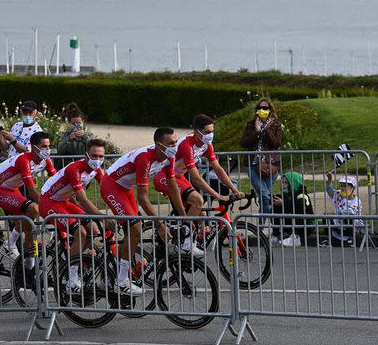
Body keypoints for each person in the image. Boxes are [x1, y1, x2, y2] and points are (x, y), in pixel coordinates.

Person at [100, 128, 183, 293]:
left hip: (125, 188)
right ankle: (121, 281)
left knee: (133, 232)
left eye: (176, 141)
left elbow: (173, 186)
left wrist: (184, 215)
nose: (175, 146)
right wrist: (160, 224)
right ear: (159, 145)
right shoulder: (145, 158)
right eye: (171, 143)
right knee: (136, 230)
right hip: (112, 186)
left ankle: (112, 274)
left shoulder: (169, 157)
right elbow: (143, 198)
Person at [153, 115, 244, 245]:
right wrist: (217, 195)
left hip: (177, 176)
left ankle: (195, 239)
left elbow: (218, 168)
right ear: (197, 131)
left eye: (212, 131)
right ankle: (185, 242)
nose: (210, 135)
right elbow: (195, 178)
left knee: (201, 214)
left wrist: (234, 190)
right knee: (197, 200)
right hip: (163, 176)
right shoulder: (186, 145)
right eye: (207, 132)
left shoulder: (206, 145)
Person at [39, 138, 110, 293]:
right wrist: (103, 217)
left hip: (63, 202)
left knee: (93, 231)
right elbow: (83, 200)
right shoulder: (74, 169)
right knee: (81, 232)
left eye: (101, 156)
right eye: (94, 156)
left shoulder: (96, 170)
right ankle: (71, 279)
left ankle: (70, 260)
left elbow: (108, 190)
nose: (97, 160)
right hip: (48, 202)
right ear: (86, 155)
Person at [0, 131, 57, 267]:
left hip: (12, 189)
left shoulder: (45, 160)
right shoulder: (24, 160)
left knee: (28, 227)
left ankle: (29, 266)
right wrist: (49, 208)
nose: (47, 150)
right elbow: (31, 191)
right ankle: (9, 244)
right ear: (34, 147)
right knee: (33, 209)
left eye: (48, 146)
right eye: (44, 146)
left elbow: (56, 179)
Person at [240, 98, 283, 225]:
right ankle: (268, 226)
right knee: (265, 196)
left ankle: (260, 228)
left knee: (265, 199)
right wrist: (256, 131)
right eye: (260, 108)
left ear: (270, 110)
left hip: (270, 166)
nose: (262, 110)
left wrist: (267, 129)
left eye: (265, 108)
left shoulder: (276, 125)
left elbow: (276, 144)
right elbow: (243, 143)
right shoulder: (250, 124)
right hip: (252, 165)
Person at [271, 171, 314, 247]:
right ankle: (276, 236)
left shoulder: (302, 195)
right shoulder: (287, 195)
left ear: (293, 183)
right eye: (283, 182)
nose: (284, 185)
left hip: (306, 226)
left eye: (286, 183)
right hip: (291, 224)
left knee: (298, 209)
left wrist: (283, 203)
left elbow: (299, 208)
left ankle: (296, 238)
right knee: (275, 206)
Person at [325, 173, 366, 247]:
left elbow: (350, 213)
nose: (342, 188)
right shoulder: (338, 195)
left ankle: (350, 239)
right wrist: (329, 180)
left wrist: (340, 213)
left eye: (345, 186)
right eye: (341, 186)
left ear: (352, 188)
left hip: (353, 225)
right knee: (326, 217)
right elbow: (329, 190)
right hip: (339, 222)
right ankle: (334, 238)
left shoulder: (356, 201)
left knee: (349, 218)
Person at [56, 103, 94, 167]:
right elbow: (59, 150)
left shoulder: (89, 135)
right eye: (74, 123)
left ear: (83, 121)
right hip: (69, 166)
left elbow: (93, 147)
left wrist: (84, 136)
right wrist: (69, 139)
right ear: (70, 123)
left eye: (78, 123)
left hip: (84, 165)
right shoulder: (65, 135)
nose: (76, 126)